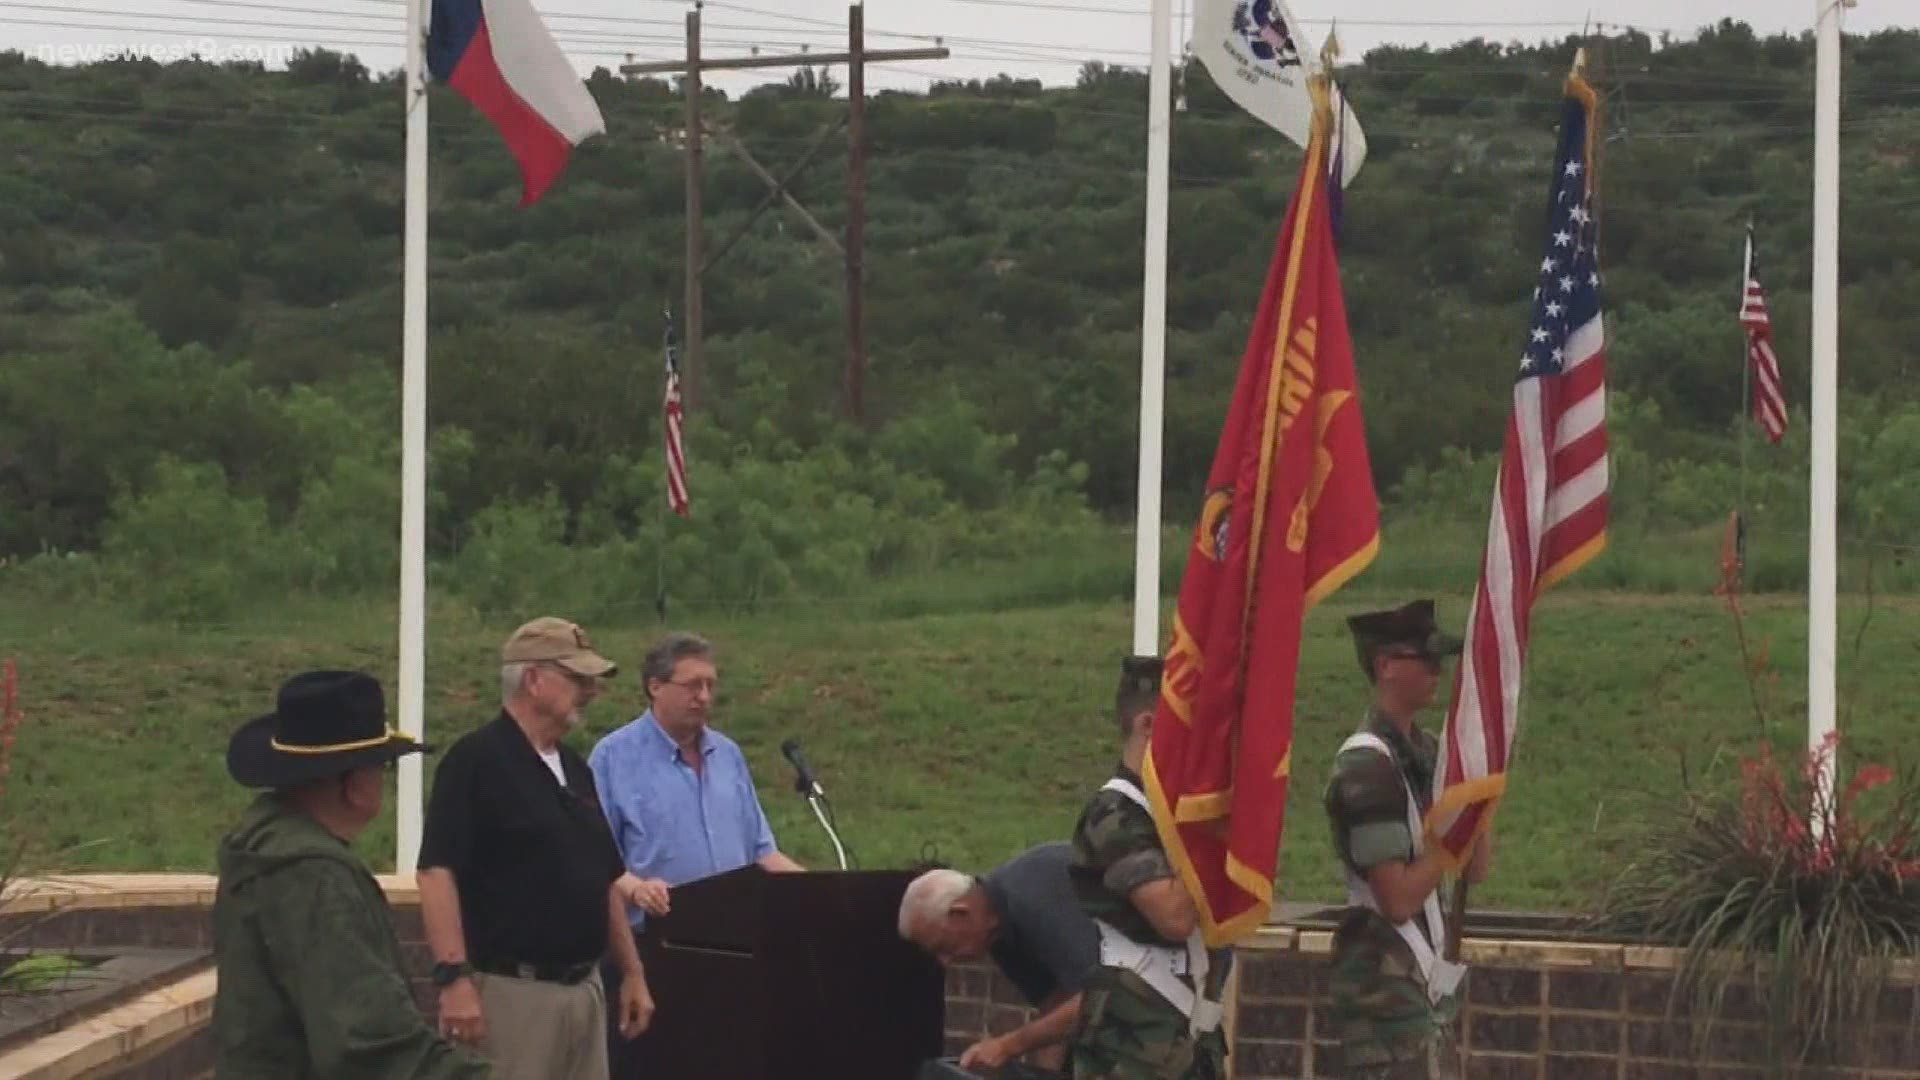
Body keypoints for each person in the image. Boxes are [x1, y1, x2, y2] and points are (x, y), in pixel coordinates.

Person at [211, 669, 490, 1079]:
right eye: (382, 767)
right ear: (354, 783)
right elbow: (369, 1040)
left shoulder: (265, 851)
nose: (383, 781)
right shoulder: (315, 877)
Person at [416, 617, 654, 1080]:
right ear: (533, 679)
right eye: (577, 678)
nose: (591, 691)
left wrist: (633, 971)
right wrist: (454, 979)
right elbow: (436, 872)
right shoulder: (475, 762)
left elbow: (602, 874)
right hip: (513, 996)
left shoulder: (575, 769)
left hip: (584, 992)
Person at [587, 631, 803, 1070]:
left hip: (733, 953)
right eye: (692, 685)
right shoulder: (613, 758)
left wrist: (825, 890)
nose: (704, 697)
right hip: (653, 950)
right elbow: (595, 860)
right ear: (655, 686)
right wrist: (636, 887)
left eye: (711, 685)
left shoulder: (728, 756)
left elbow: (762, 852)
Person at [1322, 599, 1494, 1079]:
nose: (1438, 671)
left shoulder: (1430, 753)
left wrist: (1479, 790)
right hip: (1383, 990)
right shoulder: (1366, 767)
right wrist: (1448, 842)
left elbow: (1476, 869)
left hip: (1423, 984)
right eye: (1425, 659)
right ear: (1386, 667)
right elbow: (1395, 898)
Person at [1064, 657, 1230, 1080]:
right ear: (1149, 725)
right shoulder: (1113, 815)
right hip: (1134, 1039)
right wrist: (1221, 831)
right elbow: (1174, 916)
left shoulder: (1175, 817)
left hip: (1190, 1033)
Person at [898, 842, 1100, 1074]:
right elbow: (1056, 1003)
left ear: (960, 912)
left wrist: (1008, 1045)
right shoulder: (996, 931)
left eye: (943, 947)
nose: (945, 961)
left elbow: (1098, 999)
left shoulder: (1034, 896)